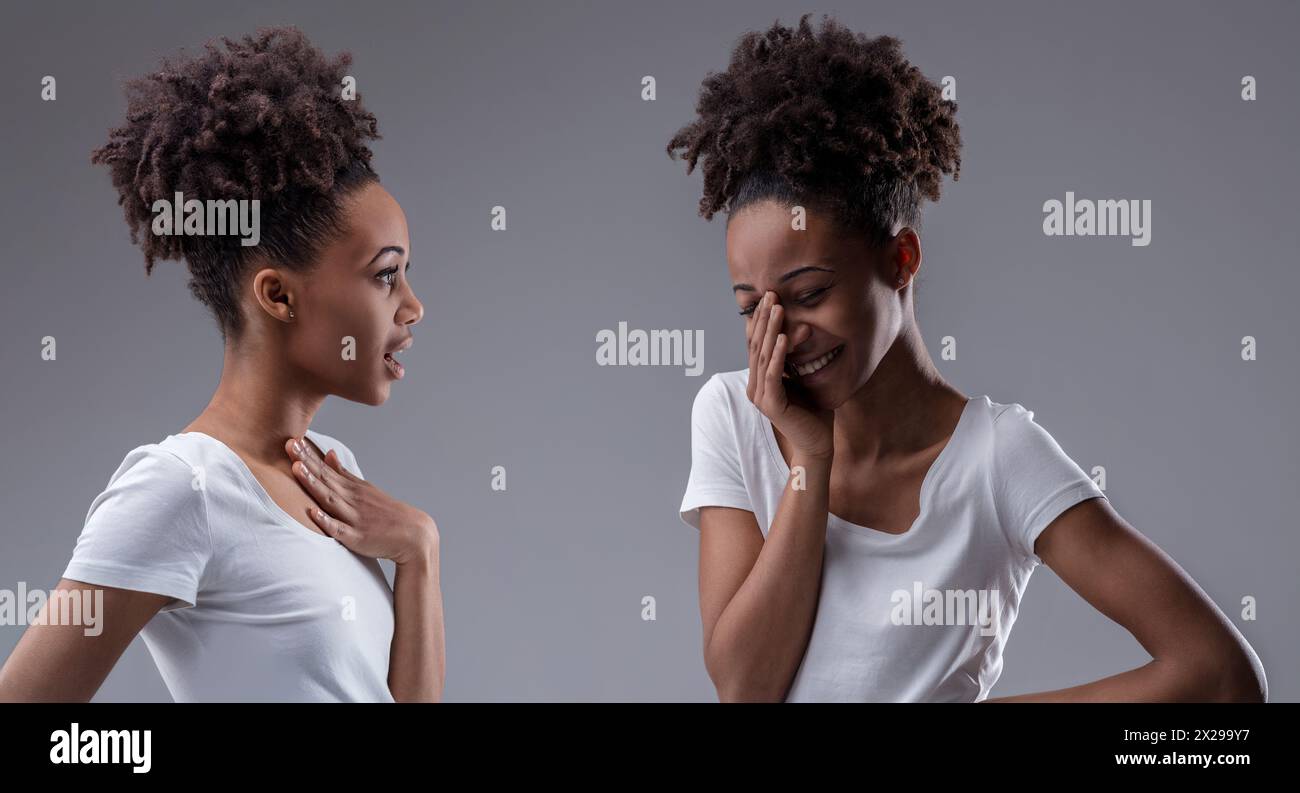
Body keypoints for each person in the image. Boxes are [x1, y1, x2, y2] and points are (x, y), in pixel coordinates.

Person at [668, 14, 1266, 703]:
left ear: (901, 259)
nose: (784, 333)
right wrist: (810, 463)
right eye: (753, 308)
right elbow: (745, 688)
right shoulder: (731, 414)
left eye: (810, 293)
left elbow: (1222, 680)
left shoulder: (998, 456)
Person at [0, 27, 443, 702]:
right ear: (278, 295)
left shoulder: (334, 472)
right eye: (386, 276)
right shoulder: (181, 487)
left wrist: (419, 551)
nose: (413, 306)